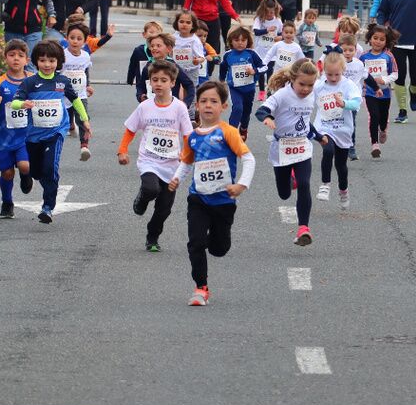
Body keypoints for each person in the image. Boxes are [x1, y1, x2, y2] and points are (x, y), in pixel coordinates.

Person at [169, 80, 256, 307]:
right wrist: (177, 177)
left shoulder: (228, 132)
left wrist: (241, 185)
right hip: (198, 198)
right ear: (196, 105)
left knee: (219, 249)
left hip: (224, 201)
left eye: (214, 101)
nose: (208, 105)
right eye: (204, 101)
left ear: (223, 106)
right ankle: (201, 288)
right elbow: (187, 162)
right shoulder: (193, 136)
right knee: (195, 242)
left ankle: (213, 241)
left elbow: (248, 158)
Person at [8, 40, 89, 224]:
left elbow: (75, 100)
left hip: (55, 132)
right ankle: (27, 175)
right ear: (36, 61)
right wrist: (24, 104)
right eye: (43, 60)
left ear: (58, 62)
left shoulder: (62, 81)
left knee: (50, 169)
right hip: (33, 135)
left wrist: (84, 119)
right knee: (36, 171)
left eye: (51, 61)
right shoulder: (29, 82)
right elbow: (14, 102)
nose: (47, 64)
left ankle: (47, 207)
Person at [118, 59, 194, 253]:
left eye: (163, 80)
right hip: (149, 160)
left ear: (172, 83)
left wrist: (187, 155)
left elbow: (187, 134)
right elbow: (130, 129)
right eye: (154, 80)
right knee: (151, 188)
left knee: (164, 209)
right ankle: (142, 199)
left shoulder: (179, 108)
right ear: (150, 82)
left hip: (172, 165)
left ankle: (153, 236)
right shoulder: (145, 107)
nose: (158, 83)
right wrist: (123, 151)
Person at [256, 58, 326, 246]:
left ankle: (304, 228)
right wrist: (269, 117)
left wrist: (318, 136)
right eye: (302, 84)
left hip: (302, 146)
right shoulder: (282, 95)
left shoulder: (311, 96)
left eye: (310, 85)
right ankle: (290, 180)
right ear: (293, 79)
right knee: (284, 194)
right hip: (282, 148)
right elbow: (261, 111)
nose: (306, 89)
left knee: (305, 183)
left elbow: (302, 121)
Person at [0, 39, 33, 219]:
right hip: (4, 137)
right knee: (7, 172)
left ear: (27, 60)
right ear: (5, 59)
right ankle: (7, 202)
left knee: (24, 166)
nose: (16, 59)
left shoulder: (32, 81)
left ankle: (26, 176)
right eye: (11, 55)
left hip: (26, 136)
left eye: (20, 56)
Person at [313, 51, 362, 208]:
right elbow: (305, 96)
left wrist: (345, 104)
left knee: (341, 166)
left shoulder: (348, 85)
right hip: (325, 127)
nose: (333, 78)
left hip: (343, 129)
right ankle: (325, 184)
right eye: (329, 75)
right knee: (327, 151)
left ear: (343, 70)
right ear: (324, 72)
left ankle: (343, 191)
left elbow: (356, 103)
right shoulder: (319, 86)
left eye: (336, 75)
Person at [358, 22, 399, 157]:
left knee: (383, 117)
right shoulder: (363, 57)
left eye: (382, 39)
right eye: (375, 38)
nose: (378, 41)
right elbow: (358, 73)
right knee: (373, 116)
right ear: (370, 38)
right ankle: (374, 144)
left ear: (386, 42)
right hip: (369, 92)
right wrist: (363, 84)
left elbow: (395, 74)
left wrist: (385, 80)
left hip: (385, 93)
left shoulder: (388, 56)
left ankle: (383, 129)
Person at [218, 24, 264, 139]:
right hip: (234, 88)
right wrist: (221, 80)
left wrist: (255, 71)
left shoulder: (251, 54)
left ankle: (243, 128)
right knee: (237, 108)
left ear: (248, 41)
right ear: (230, 41)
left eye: (243, 40)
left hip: (249, 88)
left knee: (246, 112)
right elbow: (223, 67)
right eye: (236, 40)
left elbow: (264, 67)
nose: (240, 43)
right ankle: (231, 133)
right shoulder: (228, 55)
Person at [61, 22, 95, 160]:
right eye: (72, 37)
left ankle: (84, 146)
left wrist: (88, 85)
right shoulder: (62, 55)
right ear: (67, 38)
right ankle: (70, 125)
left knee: (83, 117)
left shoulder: (86, 56)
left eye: (79, 38)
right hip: (64, 93)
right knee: (67, 116)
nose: (75, 41)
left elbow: (85, 71)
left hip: (80, 93)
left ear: (85, 41)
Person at [138, 33, 195, 108]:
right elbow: (141, 86)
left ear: (169, 49)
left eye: (158, 46)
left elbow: (189, 85)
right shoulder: (148, 67)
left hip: (171, 107)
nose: (154, 48)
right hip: (152, 107)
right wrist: (141, 96)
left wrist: (186, 103)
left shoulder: (173, 66)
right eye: (152, 46)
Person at [172, 10, 207, 103]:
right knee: (173, 92)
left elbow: (202, 57)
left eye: (188, 22)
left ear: (193, 25)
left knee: (189, 94)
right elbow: (169, 50)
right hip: (176, 70)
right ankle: (175, 111)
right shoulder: (173, 37)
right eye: (181, 22)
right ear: (177, 23)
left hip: (190, 71)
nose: (184, 25)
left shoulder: (195, 40)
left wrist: (197, 60)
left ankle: (189, 114)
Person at [341, 35, 366, 160]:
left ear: (355, 50)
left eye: (350, 50)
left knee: (351, 124)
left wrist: (376, 88)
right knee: (338, 123)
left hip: (353, 100)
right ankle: (339, 145)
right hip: (338, 99)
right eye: (344, 50)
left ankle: (351, 148)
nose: (347, 53)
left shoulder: (359, 64)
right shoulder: (337, 63)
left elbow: (367, 77)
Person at [252, 0, 283, 98]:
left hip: (271, 51)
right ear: (263, 10)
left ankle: (269, 90)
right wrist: (267, 30)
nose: (270, 15)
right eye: (267, 12)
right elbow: (256, 32)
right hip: (260, 51)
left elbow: (281, 34)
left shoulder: (278, 21)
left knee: (270, 71)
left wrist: (279, 38)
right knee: (261, 71)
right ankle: (261, 91)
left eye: (272, 12)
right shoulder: (259, 20)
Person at [126, 20, 165, 95]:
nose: (154, 35)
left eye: (157, 32)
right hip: (142, 82)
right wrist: (130, 79)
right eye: (151, 32)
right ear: (144, 34)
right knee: (143, 99)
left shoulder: (164, 50)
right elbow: (132, 65)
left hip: (159, 83)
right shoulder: (139, 50)